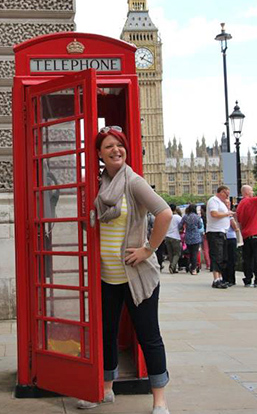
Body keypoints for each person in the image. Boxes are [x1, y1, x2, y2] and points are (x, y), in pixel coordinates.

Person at [77, 126, 172, 414]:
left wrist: (147, 249)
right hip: (106, 276)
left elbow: (164, 213)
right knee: (106, 334)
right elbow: (90, 223)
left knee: (148, 335)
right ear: (99, 154)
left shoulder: (133, 182)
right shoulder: (99, 184)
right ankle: (106, 390)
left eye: (119, 145)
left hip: (137, 277)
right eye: (108, 146)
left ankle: (159, 400)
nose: (115, 150)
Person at [206, 185, 233, 289]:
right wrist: (227, 214)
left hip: (221, 232)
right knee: (217, 256)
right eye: (226, 194)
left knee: (222, 257)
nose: (227, 196)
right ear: (221, 192)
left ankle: (220, 278)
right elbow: (214, 214)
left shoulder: (220, 202)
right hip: (215, 232)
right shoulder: (213, 200)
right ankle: (216, 279)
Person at [180, 204, 202, 275]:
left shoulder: (185, 216)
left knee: (189, 253)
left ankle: (188, 266)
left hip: (188, 236)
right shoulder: (197, 217)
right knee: (194, 253)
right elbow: (200, 226)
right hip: (196, 236)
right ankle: (193, 269)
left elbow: (180, 225)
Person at [223, 199, 240, 286]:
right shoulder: (225, 215)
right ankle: (227, 278)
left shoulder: (231, 215)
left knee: (230, 259)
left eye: (228, 204)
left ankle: (230, 279)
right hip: (226, 238)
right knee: (227, 259)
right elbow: (235, 227)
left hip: (229, 238)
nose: (227, 205)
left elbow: (236, 227)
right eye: (226, 203)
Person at [165, 204, 183, 274]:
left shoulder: (167, 216)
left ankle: (173, 268)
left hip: (167, 236)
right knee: (177, 253)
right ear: (175, 208)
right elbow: (181, 226)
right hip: (175, 237)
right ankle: (172, 266)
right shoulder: (177, 217)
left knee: (170, 253)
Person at [200, 204, 210, 270]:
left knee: (205, 249)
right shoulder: (209, 216)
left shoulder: (202, 217)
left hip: (204, 234)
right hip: (210, 233)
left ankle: (208, 264)